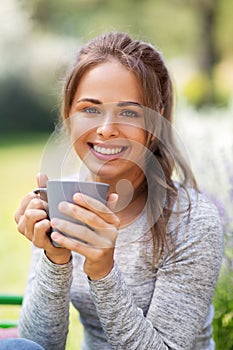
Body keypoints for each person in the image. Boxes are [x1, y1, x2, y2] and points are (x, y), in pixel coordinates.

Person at [14, 32, 223, 350]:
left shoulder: (192, 220)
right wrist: (54, 258)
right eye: (90, 109)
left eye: (128, 112)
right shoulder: (61, 200)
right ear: (68, 115)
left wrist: (103, 272)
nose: (106, 128)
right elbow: (38, 344)